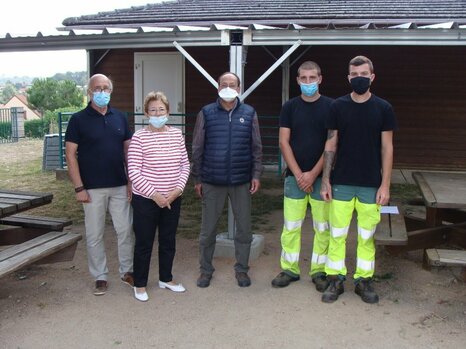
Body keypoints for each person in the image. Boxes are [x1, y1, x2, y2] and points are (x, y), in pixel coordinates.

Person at [320, 56, 397, 304]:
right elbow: (331, 143)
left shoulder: (384, 108)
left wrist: (385, 184)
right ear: (348, 78)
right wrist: (325, 180)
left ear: (372, 76)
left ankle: (364, 280)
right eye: (354, 74)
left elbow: (387, 148)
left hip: (371, 184)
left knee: (366, 235)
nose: (359, 77)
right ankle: (335, 279)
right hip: (342, 181)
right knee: (337, 233)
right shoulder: (337, 107)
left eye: (363, 73)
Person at [65, 73, 134, 296]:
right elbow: (70, 155)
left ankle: (127, 271)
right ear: (89, 92)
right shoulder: (78, 120)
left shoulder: (120, 117)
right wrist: (79, 187)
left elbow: (128, 151)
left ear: (111, 91)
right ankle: (100, 276)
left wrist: (131, 181)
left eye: (106, 88)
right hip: (91, 188)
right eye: (97, 88)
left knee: (125, 229)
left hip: (119, 185)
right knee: (95, 234)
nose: (102, 92)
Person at [192, 72, 263, 288]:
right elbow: (197, 146)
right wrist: (198, 178)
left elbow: (256, 147)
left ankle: (241, 269)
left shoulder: (249, 113)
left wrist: (256, 174)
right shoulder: (206, 112)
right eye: (224, 84)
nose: (228, 87)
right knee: (208, 230)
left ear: (239, 88)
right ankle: (205, 270)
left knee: (244, 229)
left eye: (233, 84)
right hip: (212, 180)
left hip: (241, 180)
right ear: (218, 87)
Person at [271, 61, 333, 292]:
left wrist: (313, 174)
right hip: (294, 178)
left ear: (320, 79)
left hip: (321, 178)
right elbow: (283, 141)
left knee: (322, 227)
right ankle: (289, 269)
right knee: (291, 226)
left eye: (312, 78)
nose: (308, 82)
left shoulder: (331, 107)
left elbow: (331, 143)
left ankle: (319, 270)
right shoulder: (289, 107)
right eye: (304, 78)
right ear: (297, 80)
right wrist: (298, 174)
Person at [127, 91, 190, 302]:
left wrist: (176, 191)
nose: (157, 113)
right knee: (144, 242)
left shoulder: (176, 135)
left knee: (168, 240)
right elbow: (134, 171)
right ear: (146, 113)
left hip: (172, 198)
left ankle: (166, 278)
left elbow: (185, 165)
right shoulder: (139, 137)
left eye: (161, 109)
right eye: (153, 110)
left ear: (168, 112)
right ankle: (140, 284)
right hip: (147, 200)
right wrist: (155, 196)